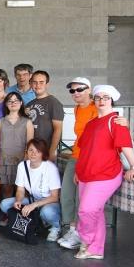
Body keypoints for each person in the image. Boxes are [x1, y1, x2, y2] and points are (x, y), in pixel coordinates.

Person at [74, 85, 134, 260]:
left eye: (106, 97)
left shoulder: (116, 121)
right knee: (96, 211)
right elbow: (84, 150)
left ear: (112, 101)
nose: (101, 101)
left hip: (106, 174)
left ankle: (85, 241)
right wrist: (78, 170)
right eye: (98, 97)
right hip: (86, 173)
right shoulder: (91, 124)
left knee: (86, 210)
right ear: (94, 100)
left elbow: (126, 146)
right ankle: (96, 249)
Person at [59, 77, 98, 250]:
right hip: (76, 154)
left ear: (89, 90)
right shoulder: (76, 109)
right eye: (72, 91)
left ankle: (79, 232)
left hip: (89, 158)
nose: (76, 93)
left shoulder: (95, 108)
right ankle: (71, 227)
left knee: (80, 196)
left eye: (79, 89)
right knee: (67, 192)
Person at [0, 138, 62, 242]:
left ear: (43, 153)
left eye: (38, 151)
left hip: (48, 201)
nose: (33, 154)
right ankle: (36, 221)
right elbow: (20, 189)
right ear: (26, 151)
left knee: (47, 212)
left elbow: (55, 197)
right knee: (4, 204)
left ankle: (56, 226)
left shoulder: (50, 168)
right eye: (31, 150)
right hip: (32, 199)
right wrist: (18, 200)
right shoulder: (22, 166)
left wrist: (33, 205)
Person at [0, 91, 34, 201]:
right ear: (6, 104)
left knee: (23, 189)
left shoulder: (27, 122)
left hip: (21, 159)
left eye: (16, 100)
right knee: (6, 189)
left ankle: (23, 215)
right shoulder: (1, 121)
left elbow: (30, 143)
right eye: (10, 101)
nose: (13, 103)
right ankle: (7, 215)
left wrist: (27, 158)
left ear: (21, 103)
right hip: (4, 160)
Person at [26, 70, 64, 161]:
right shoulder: (29, 104)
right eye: (34, 82)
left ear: (47, 84)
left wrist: (51, 151)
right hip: (31, 151)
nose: (37, 85)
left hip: (45, 151)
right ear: (30, 84)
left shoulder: (54, 103)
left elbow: (58, 129)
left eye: (41, 82)